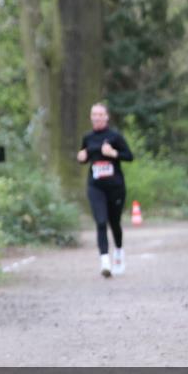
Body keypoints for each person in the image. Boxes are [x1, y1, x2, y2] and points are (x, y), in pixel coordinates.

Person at [77, 102, 134, 277]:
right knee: (101, 222)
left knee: (114, 222)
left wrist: (114, 154)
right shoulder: (88, 138)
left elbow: (129, 156)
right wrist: (81, 157)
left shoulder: (115, 136)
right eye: (94, 114)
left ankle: (118, 251)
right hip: (95, 186)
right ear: (91, 117)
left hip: (115, 186)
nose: (97, 117)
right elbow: (84, 157)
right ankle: (105, 261)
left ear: (107, 117)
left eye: (101, 114)